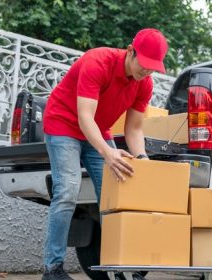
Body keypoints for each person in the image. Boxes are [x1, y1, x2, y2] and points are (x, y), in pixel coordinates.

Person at [41, 28, 168, 280]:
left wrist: (143, 160)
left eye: (153, 68)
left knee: (115, 197)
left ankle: (118, 265)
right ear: (131, 52)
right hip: (63, 124)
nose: (147, 71)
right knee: (67, 190)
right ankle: (52, 269)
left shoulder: (145, 83)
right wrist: (108, 153)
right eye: (144, 64)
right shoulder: (97, 61)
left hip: (98, 130)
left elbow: (133, 129)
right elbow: (84, 115)